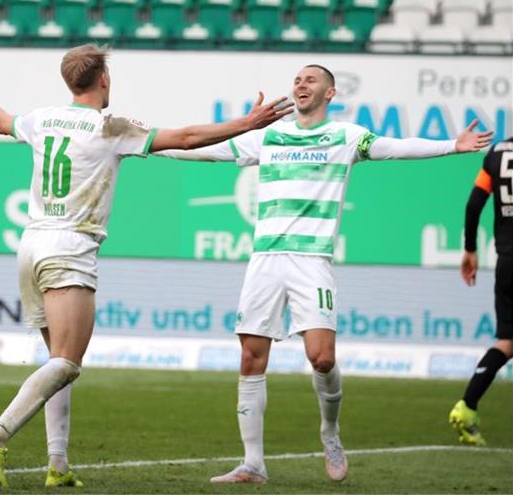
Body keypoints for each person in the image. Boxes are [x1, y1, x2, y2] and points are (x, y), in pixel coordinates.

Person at [0, 43, 293, 490]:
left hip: (31, 246)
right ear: (104, 80)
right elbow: (185, 138)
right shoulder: (108, 125)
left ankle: (57, 466)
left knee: (55, 362)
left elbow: (0, 121)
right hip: (70, 248)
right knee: (67, 364)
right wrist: (246, 124)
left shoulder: (41, 118)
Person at [154, 64, 494, 484]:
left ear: (330, 93)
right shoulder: (269, 136)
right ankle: (253, 463)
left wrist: (452, 145)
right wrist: (150, 144)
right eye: (297, 79)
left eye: (311, 80)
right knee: (250, 356)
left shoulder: (345, 137)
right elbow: (204, 149)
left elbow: (396, 146)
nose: (301, 84)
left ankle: (330, 433)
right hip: (265, 259)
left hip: (311, 261)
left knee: (322, 357)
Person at [449, 137, 513, 446]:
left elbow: (474, 203)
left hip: (507, 261)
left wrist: (471, 250)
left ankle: (468, 405)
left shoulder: (498, 153)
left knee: (508, 342)